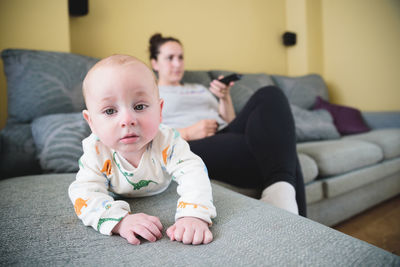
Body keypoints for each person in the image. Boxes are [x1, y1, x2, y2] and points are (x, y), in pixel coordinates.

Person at [149, 33, 306, 216]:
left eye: (180, 57)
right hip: (189, 145)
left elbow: (231, 122)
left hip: (224, 134)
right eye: (170, 58)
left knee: (270, 94)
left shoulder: (199, 88)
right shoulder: (152, 93)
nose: (177, 64)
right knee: (282, 150)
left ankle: (284, 204)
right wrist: (189, 132)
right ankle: (299, 219)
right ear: (154, 63)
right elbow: (150, 136)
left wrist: (224, 97)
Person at [68, 54, 216, 246]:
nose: (127, 120)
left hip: (163, 188)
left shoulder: (167, 140)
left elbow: (193, 171)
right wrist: (119, 221)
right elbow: (84, 193)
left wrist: (194, 215)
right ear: (91, 122)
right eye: (110, 111)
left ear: (160, 110)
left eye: (139, 106)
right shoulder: (95, 151)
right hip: (117, 195)